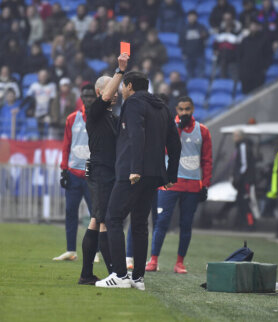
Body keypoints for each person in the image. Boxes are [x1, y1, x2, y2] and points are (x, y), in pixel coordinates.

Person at [95, 71, 181, 290]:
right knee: (140, 224)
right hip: (154, 175)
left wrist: (134, 168)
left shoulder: (132, 103)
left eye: (123, 87)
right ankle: (138, 278)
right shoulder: (162, 106)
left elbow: (135, 134)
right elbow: (175, 141)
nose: (122, 91)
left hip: (132, 173)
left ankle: (120, 275)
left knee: (113, 218)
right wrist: (171, 175)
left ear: (129, 85)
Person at [145, 96, 212, 274]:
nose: (184, 113)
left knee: (186, 224)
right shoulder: (169, 127)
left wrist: (205, 185)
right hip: (170, 184)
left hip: (192, 186)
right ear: (176, 110)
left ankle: (179, 263)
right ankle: (153, 260)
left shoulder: (203, 130)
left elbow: (206, 159)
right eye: (181, 109)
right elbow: (164, 150)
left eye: (187, 109)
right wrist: (178, 131)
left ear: (192, 110)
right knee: (161, 223)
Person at [78, 54, 129, 285]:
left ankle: (93, 273)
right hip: (100, 172)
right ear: (101, 92)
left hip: (109, 172)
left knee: (98, 220)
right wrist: (120, 71)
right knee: (101, 220)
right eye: (112, 90)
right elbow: (109, 94)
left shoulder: (111, 116)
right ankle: (109, 273)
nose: (116, 93)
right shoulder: (95, 111)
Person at [55, 85, 92, 261]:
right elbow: (66, 146)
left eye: (91, 96)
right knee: (71, 212)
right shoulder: (72, 118)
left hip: (92, 174)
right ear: (81, 98)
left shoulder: (102, 118)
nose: (88, 99)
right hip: (73, 173)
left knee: (97, 214)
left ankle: (97, 251)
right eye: (85, 96)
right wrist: (63, 170)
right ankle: (71, 250)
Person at [231, 130, 257, 230]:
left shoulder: (242, 146)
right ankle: (241, 222)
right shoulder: (240, 146)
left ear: (239, 136)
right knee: (241, 201)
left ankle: (250, 223)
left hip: (244, 180)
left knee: (245, 202)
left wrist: (238, 177)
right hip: (243, 179)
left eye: (235, 136)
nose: (233, 138)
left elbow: (244, 164)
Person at [179, 10, 208, 79]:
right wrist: (184, 53)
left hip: (199, 55)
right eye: (190, 16)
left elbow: (207, 36)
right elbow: (181, 42)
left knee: (200, 75)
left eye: (193, 16)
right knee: (189, 75)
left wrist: (204, 35)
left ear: (196, 17)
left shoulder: (201, 27)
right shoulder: (184, 29)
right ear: (187, 17)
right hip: (188, 56)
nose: (191, 18)